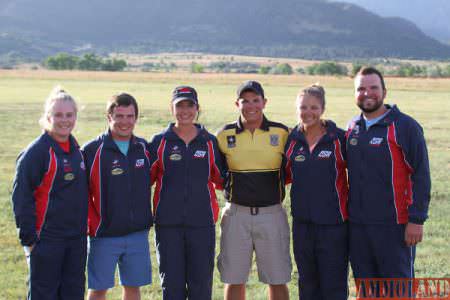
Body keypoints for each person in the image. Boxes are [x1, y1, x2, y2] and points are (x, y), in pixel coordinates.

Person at [346, 67, 431, 298]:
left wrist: (416, 219)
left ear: (384, 91)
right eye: (361, 89)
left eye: (373, 87)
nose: (367, 93)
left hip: (395, 226)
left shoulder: (405, 126)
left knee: (398, 291)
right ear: (354, 94)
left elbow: (421, 175)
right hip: (359, 227)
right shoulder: (352, 128)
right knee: (367, 291)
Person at [216, 80, 292, 300]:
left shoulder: (282, 132)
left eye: (256, 100)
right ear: (236, 104)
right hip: (236, 215)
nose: (251, 106)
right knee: (234, 278)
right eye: (245, 101)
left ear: (264, 102)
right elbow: (219, 175)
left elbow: (289, 173)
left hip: (272, 214)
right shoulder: (224, 134)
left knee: (277, 278)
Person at [11, 86, 88, 300]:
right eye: (58, 115)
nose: (64, 120)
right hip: (46, 240)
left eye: (69, 115)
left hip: (76, 241)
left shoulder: (76, 150)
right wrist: (30, 239)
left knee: (73, 294)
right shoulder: (37, 152)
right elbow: (21, 197)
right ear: (48, 117)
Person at [149, 86, 223, 300]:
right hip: (168, 225)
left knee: (201, 285)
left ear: (198, 108)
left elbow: (222, 179)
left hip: (202, 224)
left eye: (189, 105)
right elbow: (144, 179)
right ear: (171, 108)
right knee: (172, 286)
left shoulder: (209, 142)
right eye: (179, 105)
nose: (185, 111)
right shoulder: (159, 142)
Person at [83, 93, 153, 300]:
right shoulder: (91, 151)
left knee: (132, 288)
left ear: (136, 118)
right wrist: (93, 223)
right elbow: (81, 194)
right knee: (98, 289)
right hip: (104, 235)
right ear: (109, 117)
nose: (125, 122)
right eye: (119, 116)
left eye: (129, 116)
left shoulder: (144, 148)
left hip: (137, 234)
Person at [284, 84, 348, 300]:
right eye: (303, 107)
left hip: (334, 225)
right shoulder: (291, 140)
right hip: (302, 224)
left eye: (314, 107)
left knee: (333, 284)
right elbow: (283, 176)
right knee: (307, 282)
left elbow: (360, 176)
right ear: (296, 108)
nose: (308, 112)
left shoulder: (339, 139)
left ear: (323, 109)